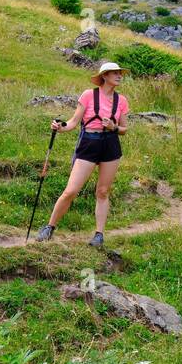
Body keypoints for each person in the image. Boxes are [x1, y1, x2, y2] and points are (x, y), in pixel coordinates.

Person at [36, 62, 130, 248]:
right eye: (115, 73)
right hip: (88, 143)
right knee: (71, 191)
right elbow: (72, 122)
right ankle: (49, 227)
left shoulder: (122, 100)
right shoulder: (88, 95)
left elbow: (124, 129)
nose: (119, 76)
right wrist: (59, 127)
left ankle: (99, 235)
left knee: (103, 192)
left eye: (120, 73)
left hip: (110, 145)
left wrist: (114, 127)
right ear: (104, 76)